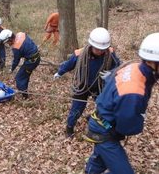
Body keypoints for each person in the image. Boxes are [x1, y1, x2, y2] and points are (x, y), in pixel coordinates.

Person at [84, 33, 159, 174]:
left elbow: (113, 79)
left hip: (102, 121)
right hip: (104, 130)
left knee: (100, 161)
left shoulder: (135, 67)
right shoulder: (133, 91)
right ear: (153, 62)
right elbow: (127, 126)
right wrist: (139, 119)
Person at [53, 27, 120, 138]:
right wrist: (59, 73)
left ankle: (98, 120)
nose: (100, 51)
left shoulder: (110, 53)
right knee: (77, 109)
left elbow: (117, 66)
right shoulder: (80, 54)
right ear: (91, 45)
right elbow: (69, 64)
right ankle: (69, 127)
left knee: (104, 107)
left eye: (103, 49)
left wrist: (112, 73)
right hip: (82, 86)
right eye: (97, 49)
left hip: (100, 85)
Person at [0, 29, 40, 99]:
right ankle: (25, 90)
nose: (8, 43)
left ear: (10, 39)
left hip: (31, 62)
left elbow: (16, 60)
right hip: (35, 57)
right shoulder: (20, 34)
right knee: (24, 76)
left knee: (19, 78)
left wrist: (12, 69)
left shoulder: (16, 48)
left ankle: (24, 95)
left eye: (7, 42)